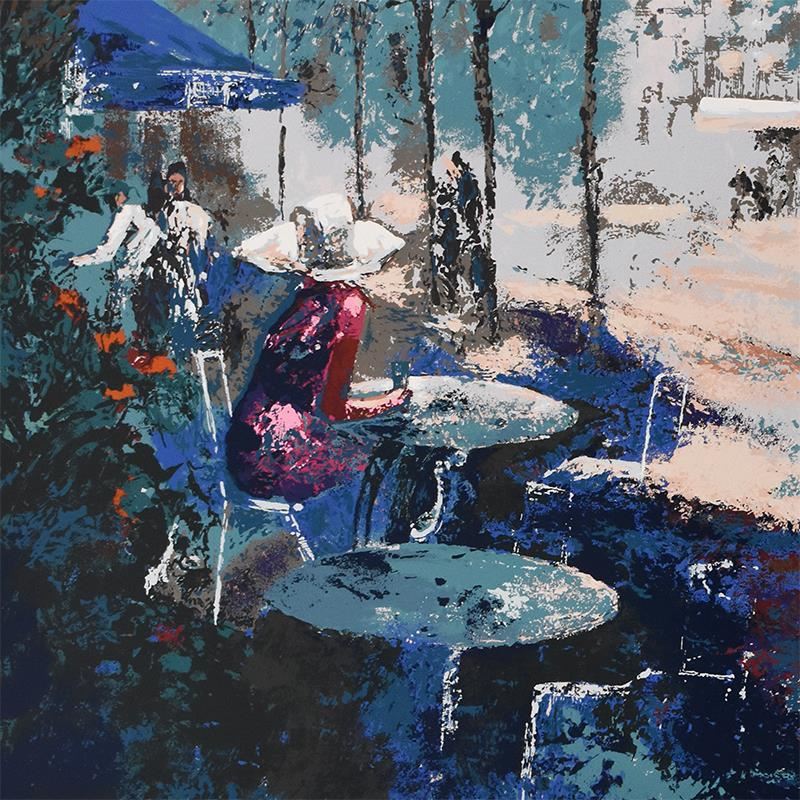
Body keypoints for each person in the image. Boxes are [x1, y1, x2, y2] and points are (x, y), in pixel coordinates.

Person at [227, 198, 409, 504]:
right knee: (386, 462)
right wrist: (391, 401)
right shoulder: (349, 304)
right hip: (281, 457)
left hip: (245, 450)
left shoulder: (301, 298)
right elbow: (334, 410)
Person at [71, 180, 163, 330]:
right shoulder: (142, 213)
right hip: (144, 269)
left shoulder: (127, 210)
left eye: (117, 196)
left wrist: (79, 261)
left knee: (120, 312)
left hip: (131, 270)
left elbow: (107, 252)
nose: (116, 200)